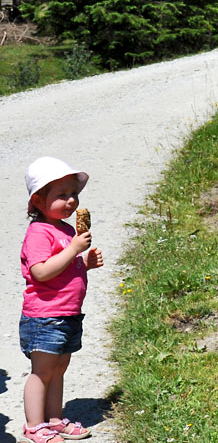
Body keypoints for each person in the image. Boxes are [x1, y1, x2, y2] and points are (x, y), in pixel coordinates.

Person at [20, 156, 104, 443]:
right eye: (61, 195)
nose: (70, 201)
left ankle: (54, 420)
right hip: (44, 316)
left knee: (59, 370)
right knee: (42, 372)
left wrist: (85, 263)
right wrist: (73, 251)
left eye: (74, 195)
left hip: (68, 314)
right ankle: (34, 425)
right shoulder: (38, 233)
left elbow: (65, 268)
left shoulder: (67, 230)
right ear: (38, 203)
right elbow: (41, 272)